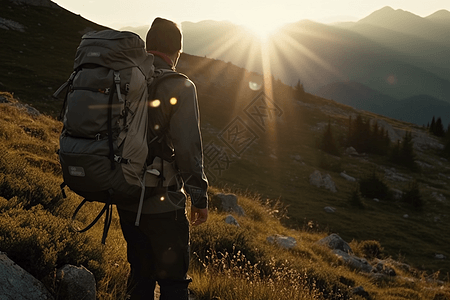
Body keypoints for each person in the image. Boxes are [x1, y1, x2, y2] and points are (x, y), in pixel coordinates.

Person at [117, 17, 209, 300]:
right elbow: (188, 150)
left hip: (126, 196)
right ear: (177, 51)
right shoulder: (180, 86)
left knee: (140, 276)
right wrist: (199, 197)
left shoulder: (123, 76)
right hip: (163, 204)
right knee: (173, 283)